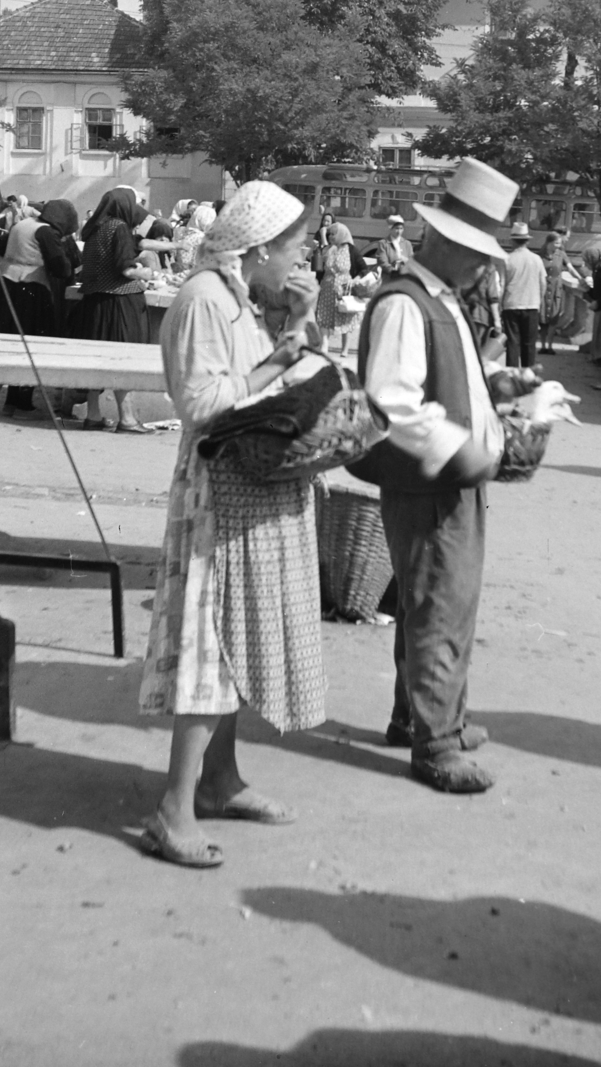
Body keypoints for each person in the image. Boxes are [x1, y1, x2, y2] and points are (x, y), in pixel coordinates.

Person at [137, 181, 323, 868]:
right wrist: (279, 359)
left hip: (244, 490)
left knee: (230, 641)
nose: (301, 259)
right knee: (208, 645)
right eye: (296, 247)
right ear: (261, 247)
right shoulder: (202, 301)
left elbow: (260, 379)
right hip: (217, 492)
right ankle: (173, 809)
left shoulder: (236, 301)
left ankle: (218, 781)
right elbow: (202, 402)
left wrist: (297, 326)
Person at [355, 157, 515, 795]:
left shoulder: (439, 298)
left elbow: (448, 387)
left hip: (448, 479)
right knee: (439, 606)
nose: (485, 266)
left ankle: (416, 717)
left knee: (439, 603)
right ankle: (436, 743)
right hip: (430, 481)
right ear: (444, 242)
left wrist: (498, 394)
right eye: (477, 253)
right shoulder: (405, 304)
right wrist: (462, 448)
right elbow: (393, 403)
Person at [71, 189, 155, 431]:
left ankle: (94, 416)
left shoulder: (94, 229)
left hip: (95, 303)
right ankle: (127, 418)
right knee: (122, 359)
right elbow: (125, 268)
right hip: (120, 303)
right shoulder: (119, 228)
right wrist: (148, 273)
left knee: (96, 361)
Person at [0, 198, 79, 414]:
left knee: (6, 344)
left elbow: (0, 246)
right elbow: (61, 267)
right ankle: (20, 402)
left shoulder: (21, 224)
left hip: (6, 286)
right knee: (30, 344)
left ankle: (1, 401)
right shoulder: (47, 233)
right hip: (31, 290)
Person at [499, 220, 547, 370]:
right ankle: (528, 376)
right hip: (532, 305)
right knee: (529, 344)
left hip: (511, 304)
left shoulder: (507, 259)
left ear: (513, 240)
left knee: (512, 343)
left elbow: (501, 285)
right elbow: (543, 283)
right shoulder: (536, 259)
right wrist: (539, 301)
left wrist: (500, 306)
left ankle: (512, 374)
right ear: (527, 240)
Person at [314, 222, 356, 354]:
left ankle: (345, 348)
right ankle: (324, 345)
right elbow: (318, 265)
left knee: (345, 317)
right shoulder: (329, 249)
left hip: (344, 288)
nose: (331, 236)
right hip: (327, 286)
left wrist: (356, 280)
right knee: (324, 315)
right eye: (330, 234)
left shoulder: (351, 250)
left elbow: (361, 268)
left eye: (334, 234)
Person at [538, 231, 569, 354]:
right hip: (544, 289)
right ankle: (543, 346)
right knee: (543, 319)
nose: (558, 246)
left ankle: (550, 346)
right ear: (548, 242)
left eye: (559, 243)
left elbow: (570, 268)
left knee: (553, 319)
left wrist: (581, 279)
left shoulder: (561, 254)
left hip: (556, 290)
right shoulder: (540, 256)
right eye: (556, 243)